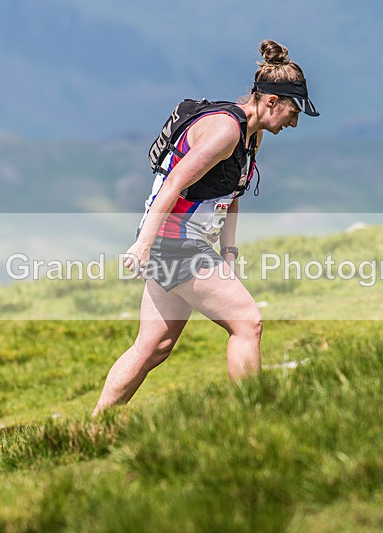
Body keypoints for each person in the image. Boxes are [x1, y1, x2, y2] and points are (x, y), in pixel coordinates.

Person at [91, 39, 318, 416]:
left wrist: (227, 253)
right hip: (172, 241)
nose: (294, 122)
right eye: (293, 112)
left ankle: (95, 427)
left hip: (184, 241)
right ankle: (255, 419)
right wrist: (143, 244)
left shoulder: (251, 133)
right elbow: (173, 183)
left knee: (154, 346)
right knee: (248, 323)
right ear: (272, 101)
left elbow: (233, 194)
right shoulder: (225, 131)